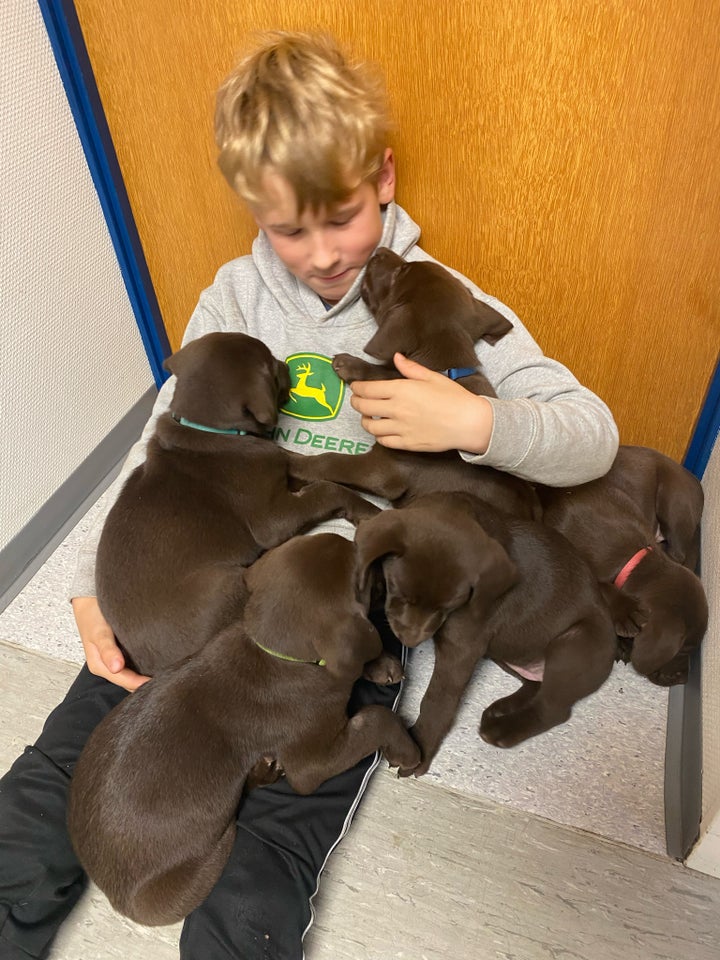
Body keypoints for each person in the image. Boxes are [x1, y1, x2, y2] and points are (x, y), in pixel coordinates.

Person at [0, 30, 618, 960]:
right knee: (80, 756)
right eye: (291, 228)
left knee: (278, 829)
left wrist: (477, 423)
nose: (324, 253)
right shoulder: (235, 297)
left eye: (342, 216)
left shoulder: (438, 295)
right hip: (220, 578)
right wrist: (92, 583)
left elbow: (593, 434)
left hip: (346, 606)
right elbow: (157, 448)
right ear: (254, 212)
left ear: (384, 178)